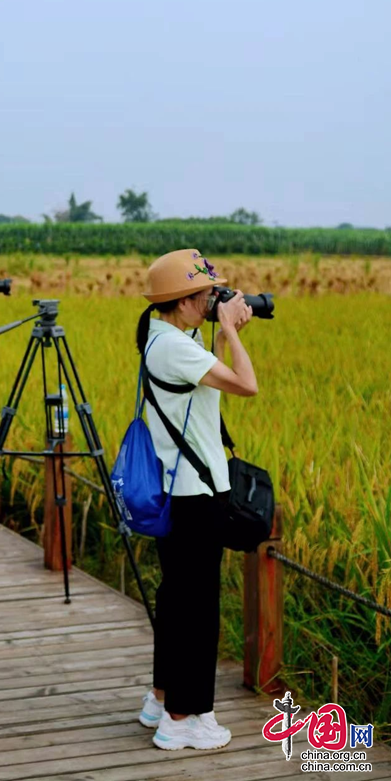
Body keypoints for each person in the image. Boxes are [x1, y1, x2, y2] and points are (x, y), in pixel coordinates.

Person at [135, 249, 258, 752]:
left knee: (178, 599)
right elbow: (248, 385)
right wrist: (229, 330)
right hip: (194, 494)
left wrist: (226, 330)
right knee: (198, 609)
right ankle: (185, 719)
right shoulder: (177, 347)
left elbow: (207, 383)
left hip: (177, 491)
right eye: (208, 296)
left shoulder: (165, 337)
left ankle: (161, 699)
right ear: (184, 301)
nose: (214, 301)